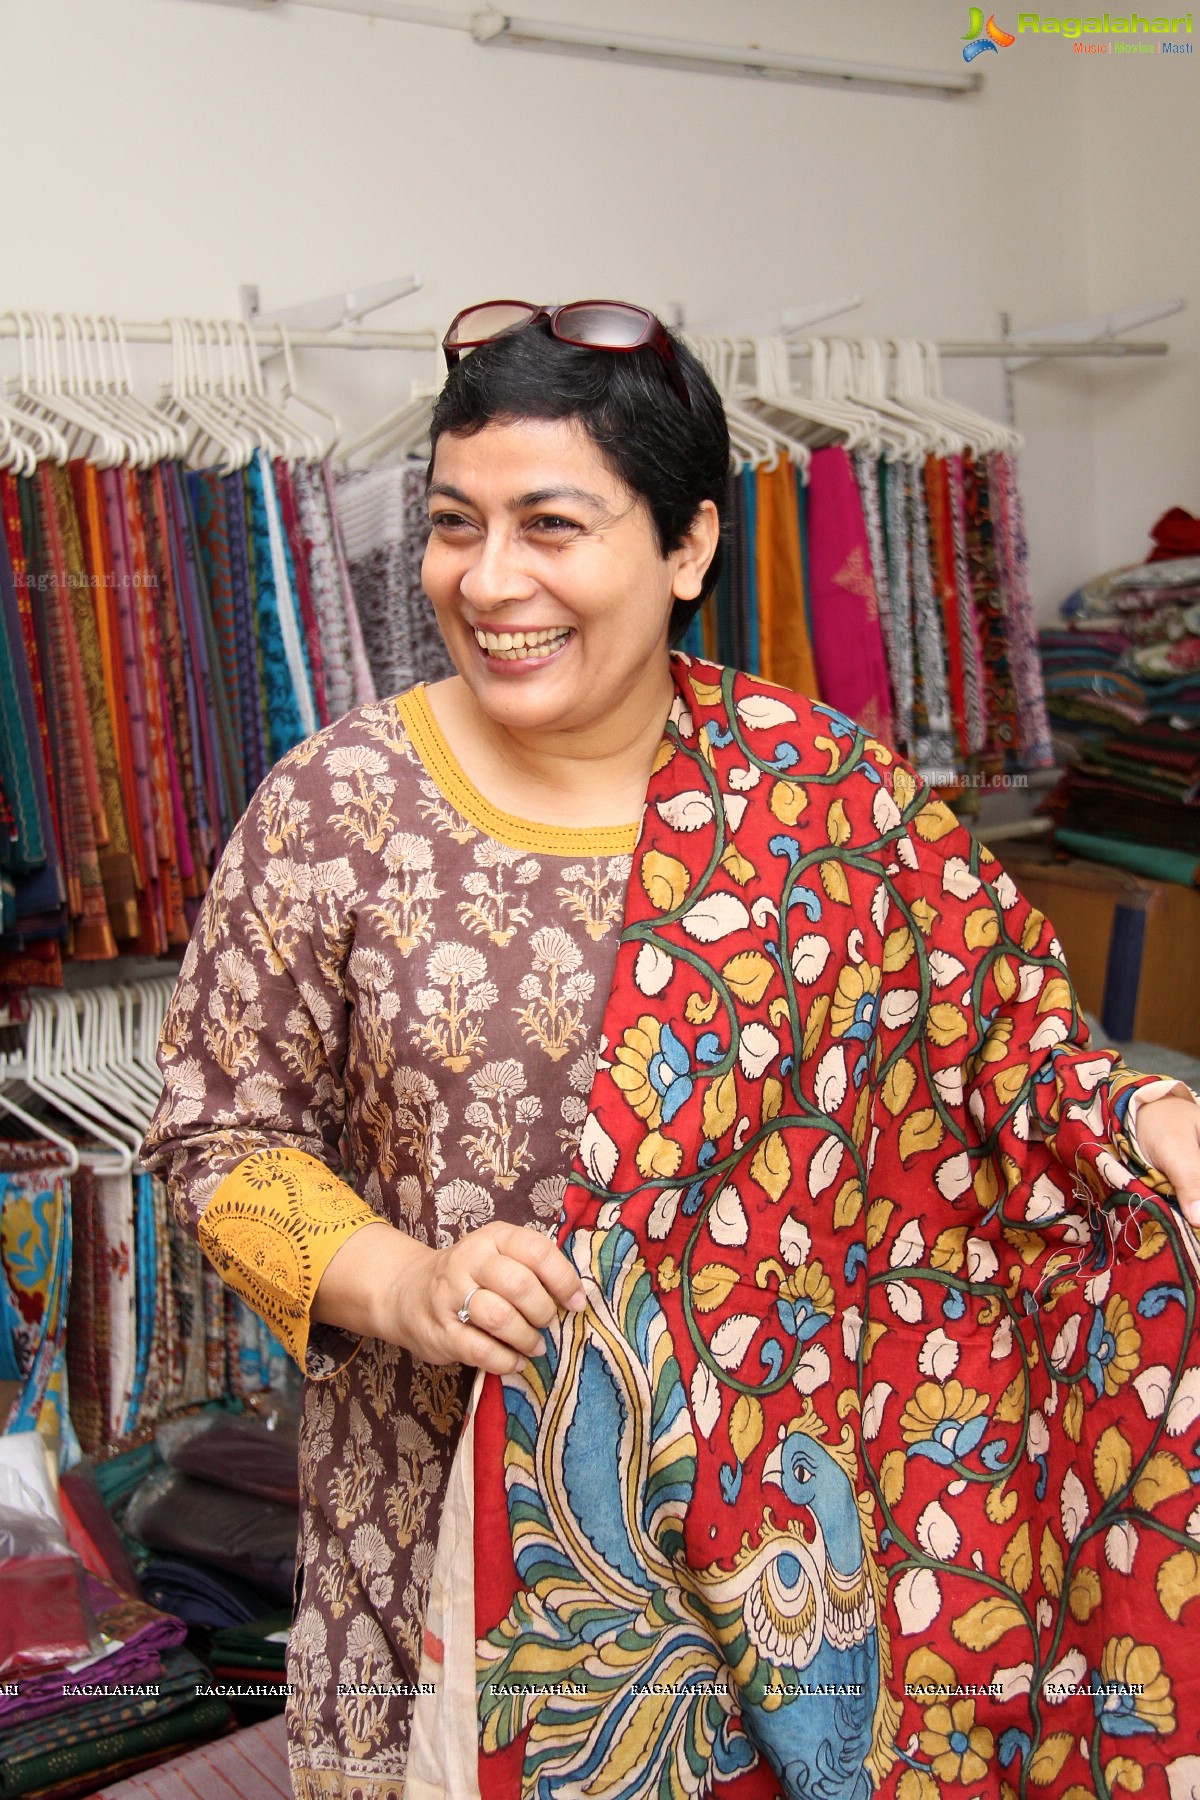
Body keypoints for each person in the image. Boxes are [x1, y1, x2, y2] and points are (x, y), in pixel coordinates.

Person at [143, 301, 1200, 1800]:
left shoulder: (825, 793)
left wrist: (1147, 1120)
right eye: (455, 524)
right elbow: (216, 1141)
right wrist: (410, 1283)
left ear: (689, 546)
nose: (490, 579)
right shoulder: (340, 808)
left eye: (551, 525)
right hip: (437, 1525)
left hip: (774, 1562)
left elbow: (1010, 1052)